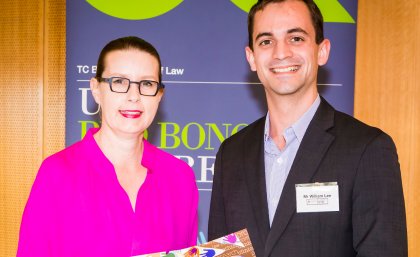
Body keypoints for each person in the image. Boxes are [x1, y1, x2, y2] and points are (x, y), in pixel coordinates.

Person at [208, 1, 407, 256]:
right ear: (252, 58)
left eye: (296, 38)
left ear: (322, 51)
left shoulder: (367, 149)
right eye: (266, 41)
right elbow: (225, 253)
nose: (281, 52)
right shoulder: (231, 154)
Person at [17, 36, 198, 257]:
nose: (134, 96)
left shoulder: (180, 178)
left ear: (159, 95)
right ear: (96, 89)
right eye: (119, 82)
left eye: (147, 84)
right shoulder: (57, 173)